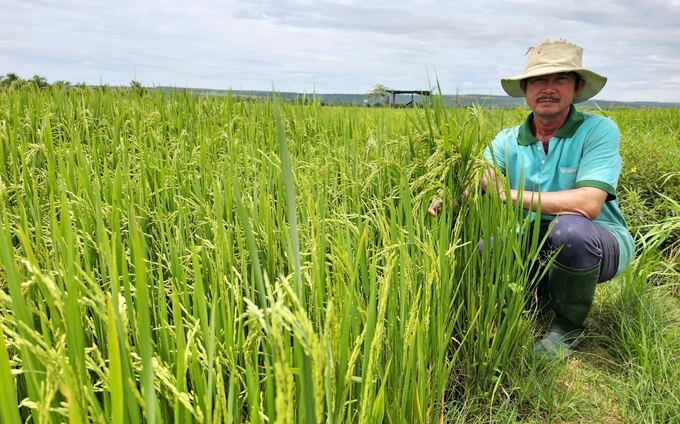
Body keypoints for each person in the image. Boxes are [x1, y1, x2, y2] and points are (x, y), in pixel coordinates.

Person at [428, 39, 635, 357]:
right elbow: (479, 179)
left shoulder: (598, 131)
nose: (548, 88)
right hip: (528, 238)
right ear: (525, 88)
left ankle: (568, 326)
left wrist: (505, 194)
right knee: (485, 251)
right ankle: (534, 295)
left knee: (569, 231)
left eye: (560, 79)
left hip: (595, 240)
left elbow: (588, 204)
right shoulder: (506, 141)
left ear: (577, 88)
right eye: (539, 79)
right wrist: (453, 199)